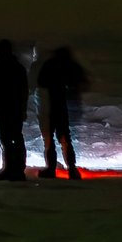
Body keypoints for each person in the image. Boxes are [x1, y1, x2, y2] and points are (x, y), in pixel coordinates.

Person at [36, 44, 89, 179]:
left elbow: (41, 81)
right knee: (65, 137)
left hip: (51, 103)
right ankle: (71, 169)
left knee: (49, 138)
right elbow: (82, 82)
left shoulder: (50, 64)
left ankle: (51, 169)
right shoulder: (71, 65)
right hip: (66, 106)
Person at [0, 38, 30, 181]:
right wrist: (23, 108)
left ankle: (10, 169)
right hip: (13, 107)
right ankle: (18, 170)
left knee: (7, 138)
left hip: (4, 107)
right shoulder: (17, 67)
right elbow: (24, 90)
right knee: (15, 137)